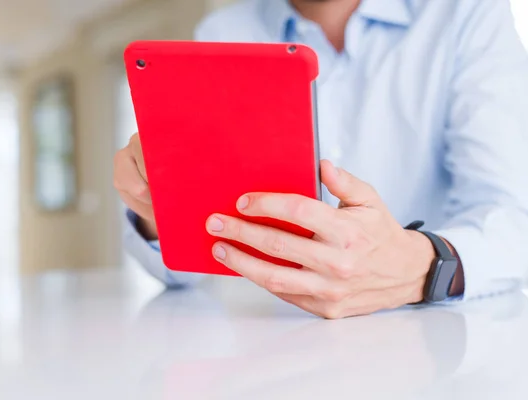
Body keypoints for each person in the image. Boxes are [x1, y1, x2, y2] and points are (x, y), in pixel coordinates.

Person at [114, 0, 528, 319]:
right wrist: (161, 208)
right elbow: (186, 272)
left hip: (445, 342)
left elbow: (513, 217)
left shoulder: (467, 14)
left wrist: (421, 267)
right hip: (271, 343)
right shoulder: (223, 30)